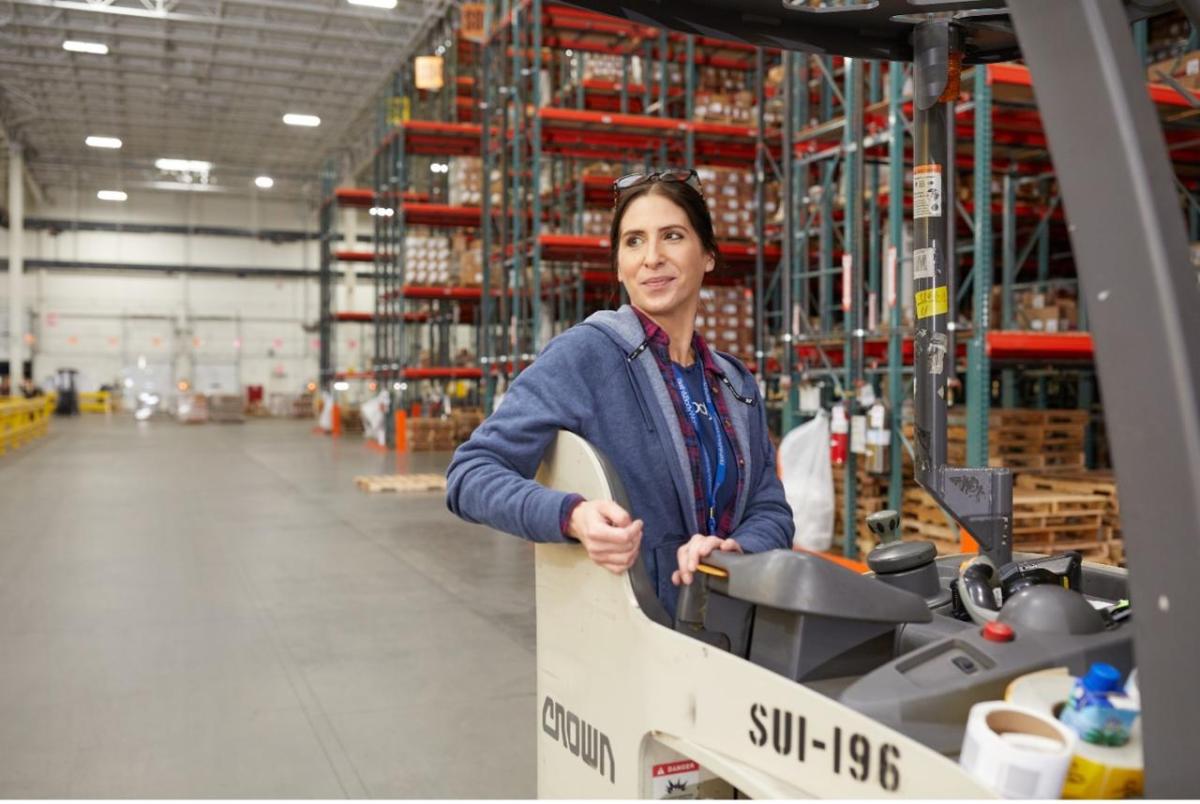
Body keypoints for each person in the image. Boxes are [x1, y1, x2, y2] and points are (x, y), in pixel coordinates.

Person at [446, 169, 793, 618]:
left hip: (730, 633)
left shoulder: (732, 382)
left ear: (707, 254)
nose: (651, 257)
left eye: (671, 236)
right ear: (618, 263)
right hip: (631, 640)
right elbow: (470, 474)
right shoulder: (587, 355)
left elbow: (772, 509)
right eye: (633, 241)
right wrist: (572, 516)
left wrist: (737, 550)